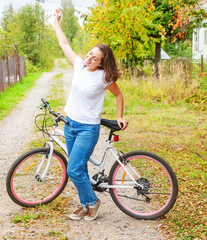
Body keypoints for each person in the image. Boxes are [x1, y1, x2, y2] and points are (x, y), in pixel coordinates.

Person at [52, 9, 128, 221]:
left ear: (101, 63)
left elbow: (119, 95)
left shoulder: (105, 77)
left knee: (73, 169)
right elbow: (65, 44)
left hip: (87, 129)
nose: (89, 58)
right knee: (80, 168)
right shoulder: (79, 66)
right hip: (70, 125)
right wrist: (56, 22)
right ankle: (85, 205)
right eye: (89, 54)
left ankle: (93, 202)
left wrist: (120, 115)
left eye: (94, 58)